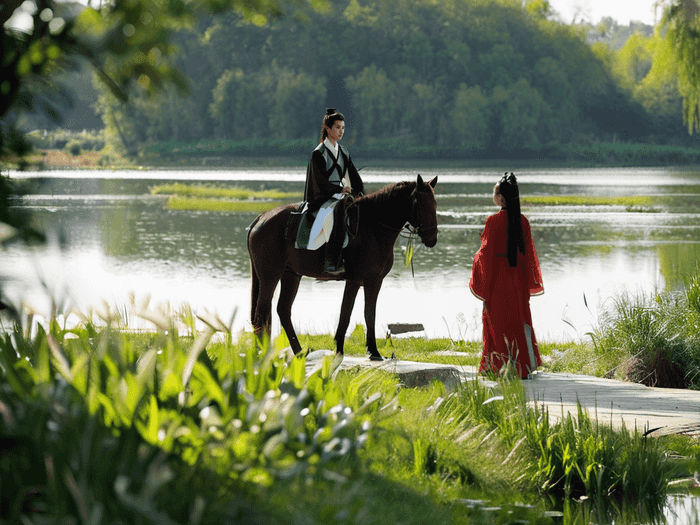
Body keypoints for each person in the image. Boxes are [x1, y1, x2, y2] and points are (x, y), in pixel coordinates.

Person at [469, 172, 544, 379]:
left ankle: (496, 366)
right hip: (517, 279)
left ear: (501, 197)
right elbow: (528, 256)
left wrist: (476, 260)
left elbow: (486, 255)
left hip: (498, 280)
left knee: (497, 322)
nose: (493, 196)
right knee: (518, 321)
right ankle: (523, 366)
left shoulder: (493, 221)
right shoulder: (523, 221)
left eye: (495, 192)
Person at [301, 108, 364, 274]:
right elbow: (319, 182)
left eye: (343, 128)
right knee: (332, 215)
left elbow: (355, 176)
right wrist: (340, 189)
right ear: (328, 129)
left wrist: (360, 193)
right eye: (337, 127)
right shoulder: (318, 154)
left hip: (340, 195)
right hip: (321, 197)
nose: (341, 131)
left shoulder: (343, 152)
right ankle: (331, 260)